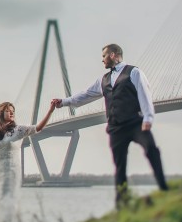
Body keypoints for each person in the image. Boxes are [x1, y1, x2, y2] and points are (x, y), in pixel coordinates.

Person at [52, 43, 168, 208]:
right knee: (119, 165)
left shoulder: (134, 72)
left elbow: (145, 93)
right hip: (116, 128)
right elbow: (86, 95)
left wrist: (148, 118)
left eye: (104, 56)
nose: (102, 60)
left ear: (113, 55)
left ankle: (164, 187)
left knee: (151, 149)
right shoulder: (103, 79)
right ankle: (121, 202)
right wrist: (63, 102)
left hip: (136, 122)